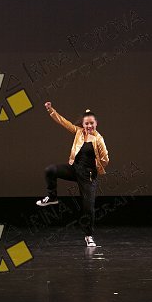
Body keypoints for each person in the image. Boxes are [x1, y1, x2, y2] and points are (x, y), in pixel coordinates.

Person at [37, 102, 110, 247]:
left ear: (96, 123)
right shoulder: (79, 132)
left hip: (88, 176)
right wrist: (51, 110)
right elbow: (63, 122)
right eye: (86, 123)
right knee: (50, 170)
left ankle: (89, 236)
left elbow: (105, 159)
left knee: (88, 207)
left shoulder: (99, 139)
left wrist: (97, 166)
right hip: (74, 169)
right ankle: (52, 197)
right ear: (83, 124)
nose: (89, 126)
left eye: (91, 123)